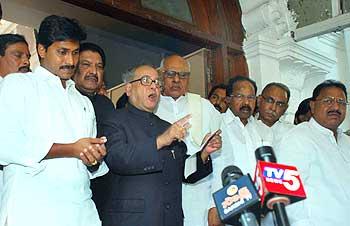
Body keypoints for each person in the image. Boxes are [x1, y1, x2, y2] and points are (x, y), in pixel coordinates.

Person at [0, 15, 108, 226]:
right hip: (32, 209)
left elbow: (89, 163)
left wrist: (93, 157)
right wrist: (71, 149)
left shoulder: (83, 102)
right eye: (62, 52)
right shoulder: (18, 85)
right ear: (41, 50)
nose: (70, 61)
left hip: (80, 209)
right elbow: (5, 145)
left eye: (75, 53)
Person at [98, 64, 221, 226]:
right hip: (132, 220)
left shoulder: (165, 126)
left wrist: (204, 154)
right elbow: (119, 159)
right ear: (128, 89)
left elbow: (183, 171)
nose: (154, 87)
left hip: (170, 218)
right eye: (146, 80)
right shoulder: (114, 120)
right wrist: (161, 141)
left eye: (157, 83)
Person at [154, 54, 222, 226]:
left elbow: (222, 157)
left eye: (183, 75)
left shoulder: (205, 107)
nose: (177, 80)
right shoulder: (151, 106)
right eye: (171, 74)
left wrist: (216, 205)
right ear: (161, 75)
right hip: (160, 196)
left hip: (200, 197)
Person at [276, 80, 350, 226]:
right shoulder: (296, 137)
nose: (335, 106)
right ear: (313, 105)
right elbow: (286, 195)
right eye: (328, 100)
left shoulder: (347, 142)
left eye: (341, 102)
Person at [208, 76, 273, 226]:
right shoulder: (216, 124)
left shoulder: (263, 130)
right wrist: (213, 208)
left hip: (261, 208)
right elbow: (212, 170)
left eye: (250, 97)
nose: (246, 102)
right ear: (228, 99)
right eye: (240, 96)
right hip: (226, 205)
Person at [72, 42, 116, 216]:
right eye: (86, 65)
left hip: (103, 188)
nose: (93, 71)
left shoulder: (106, 104)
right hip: (70, 187)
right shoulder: (64, 99)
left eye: (99, 66)